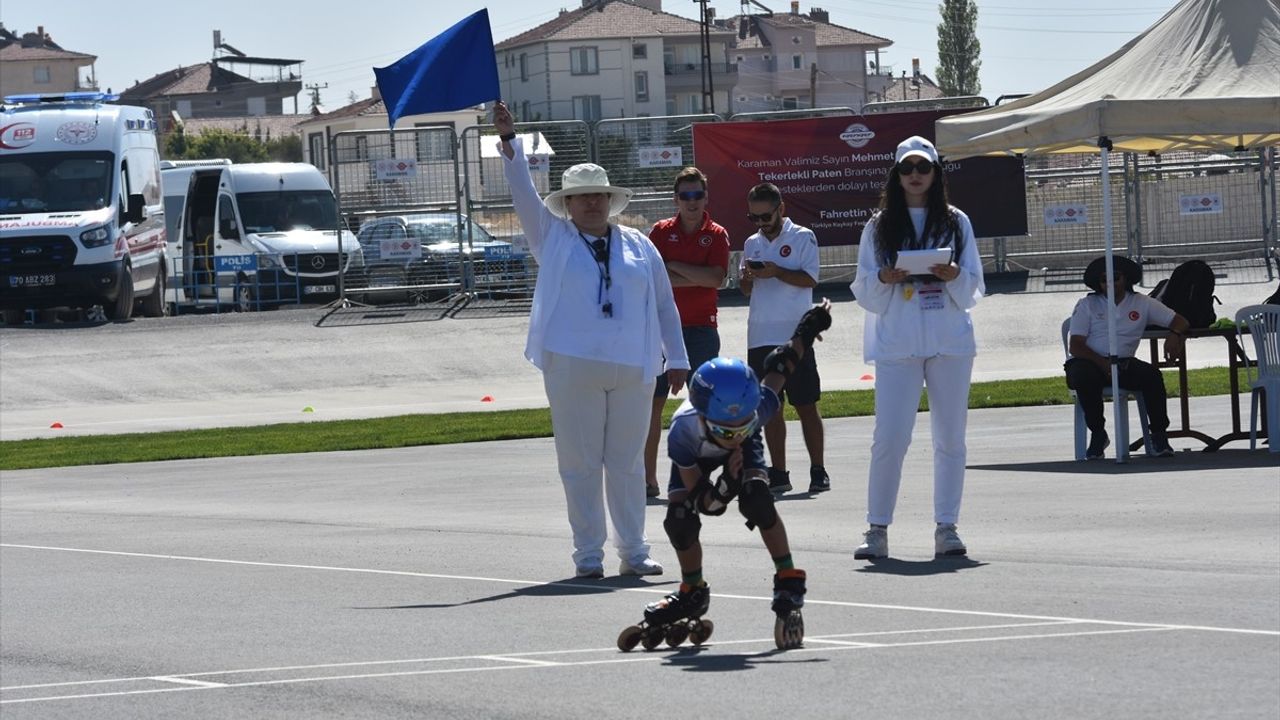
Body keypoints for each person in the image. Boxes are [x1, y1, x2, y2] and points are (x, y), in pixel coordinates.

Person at [492, 101, 689, 579]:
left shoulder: (640, 245)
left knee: (625, 464)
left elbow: (664, 302)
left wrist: (677, 357)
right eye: (583, 198)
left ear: (610, 200)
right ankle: (588, 555)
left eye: (599, 195)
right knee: (579, 463)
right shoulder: (552, 237)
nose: (593, 203)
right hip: (573, 364)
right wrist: (511, 143)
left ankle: (635, 551)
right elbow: (522, 194)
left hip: (634, 367)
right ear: (568, 204)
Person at [639, 300, 832, 650]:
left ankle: (787, 576)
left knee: (758, 499)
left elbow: (782, 364)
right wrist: (724, 488)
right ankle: (691, 589)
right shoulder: (682, 432)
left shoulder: (756, 409)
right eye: (727, 431)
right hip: (697, 454)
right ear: (702, 415)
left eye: (742, 425)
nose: (735, 435)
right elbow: (706, 505)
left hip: (742, 454)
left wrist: (808, 328)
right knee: (679, 518)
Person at [849, 136, 984, 561]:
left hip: (949, 342)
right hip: (899, 342)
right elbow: (863, 289)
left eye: (922, 168)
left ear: (935, 173)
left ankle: (947, 527)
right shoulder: (878, 225)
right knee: (890, 437)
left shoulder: (957, 221)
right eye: (907, 168)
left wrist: (954, 273)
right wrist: (884, 280)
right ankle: (877, 528)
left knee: (950, 438)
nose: (915, 175)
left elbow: (975, 284)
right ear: (896, 174)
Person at [644, 167, 731, 499]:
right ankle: (648, 480)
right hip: (663, 331)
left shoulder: (717, 233)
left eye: (697, 195)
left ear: (706, 197)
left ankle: (698, 479)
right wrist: (696, 274)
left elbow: (716, 279)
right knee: (652, 407)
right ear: (676, 199)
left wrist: (675, 267)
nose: (692, 201)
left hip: (701, 330)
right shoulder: (660, 232)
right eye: (685, 195)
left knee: (702, 408)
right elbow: (654, 279)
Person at [738, 183, 830, 495]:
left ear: (781, 210)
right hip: (760, 336)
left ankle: (818, 469)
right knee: (771, 409)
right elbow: (746, 290)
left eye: (766, 216)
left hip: (796, 336)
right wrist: (747, 279)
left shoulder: (803, 236)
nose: (761, 223)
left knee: (806, 404)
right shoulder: (751, 243)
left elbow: (810, 279)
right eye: (754, 218)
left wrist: (777, 271)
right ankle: (779, 472)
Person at [1065, 255, 1187, 459]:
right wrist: (1102, 362)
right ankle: (1098, 433)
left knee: (1152, 376)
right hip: (1090, 361)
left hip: (1124, 362)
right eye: (1104, 279)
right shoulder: (1087, 304)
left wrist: (1174, 335)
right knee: (1083, 377)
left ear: (1126, 279)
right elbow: (1076, 345)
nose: (1110, 283)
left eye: (1115, 277)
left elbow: (1180, 321)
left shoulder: (1142, 303)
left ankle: (1158, 435)